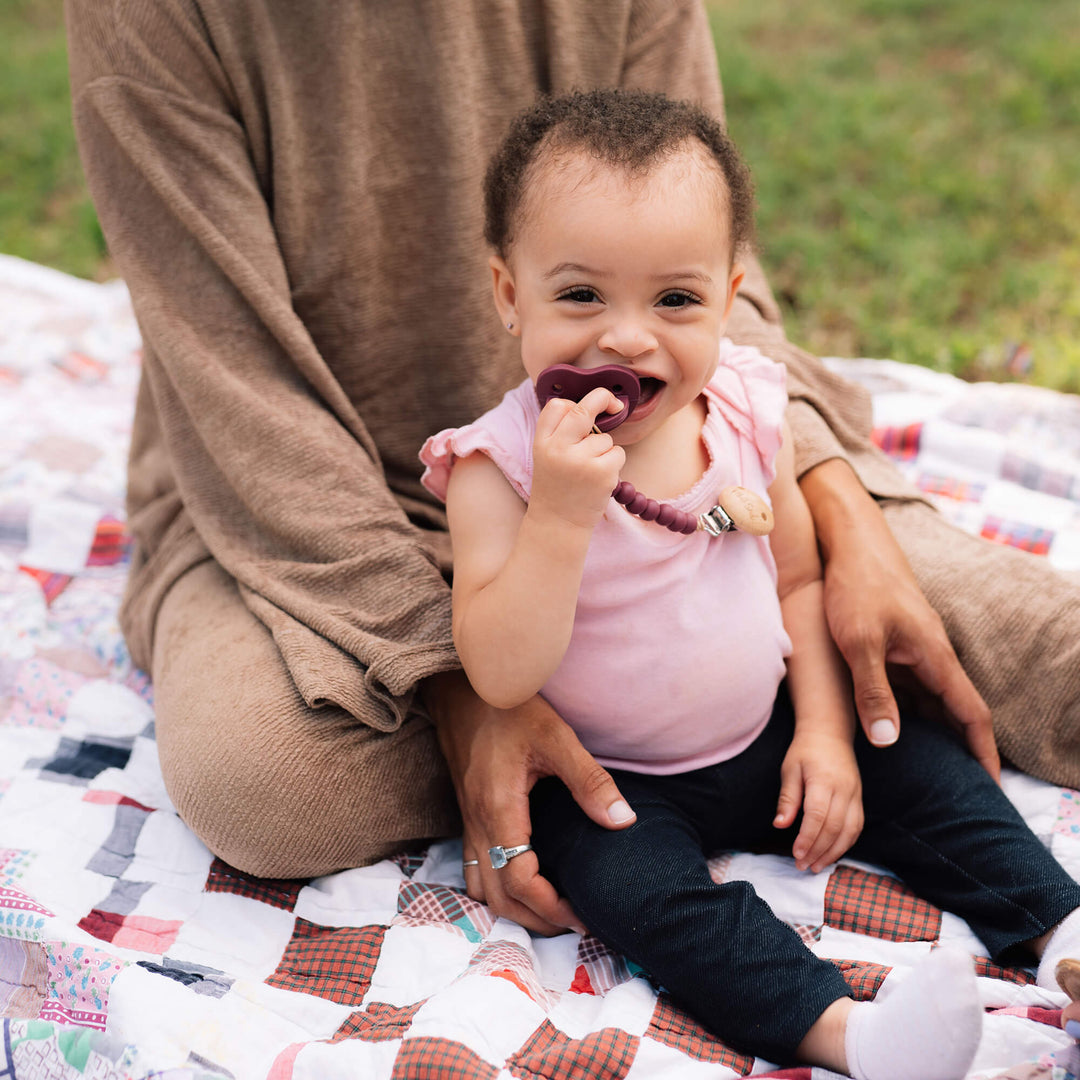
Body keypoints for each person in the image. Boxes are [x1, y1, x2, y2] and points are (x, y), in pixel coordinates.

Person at [63, 0, 1080, 945]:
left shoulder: (708, 396)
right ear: (507, 292)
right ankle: (627, 746)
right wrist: (463, 689)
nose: (623, 330)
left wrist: (840, 510)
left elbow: (711, 271)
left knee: (1027, 644)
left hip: (670, 465)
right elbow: (233, 385)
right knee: (269, 783)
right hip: (292, 504)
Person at [419, 88, 1080, 1076]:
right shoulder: (495, 469)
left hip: (768, 724)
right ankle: (849, 1032)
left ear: (730, 302)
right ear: (510, 294)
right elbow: (501, 672)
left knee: (930, 769)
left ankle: (1061, 931)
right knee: (637, 895)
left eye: (674, 301)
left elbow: (801, 578)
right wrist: (559, 519)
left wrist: (820, 728)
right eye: (580, 296)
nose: (629, 339)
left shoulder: (744, 413)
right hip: (618, 778)